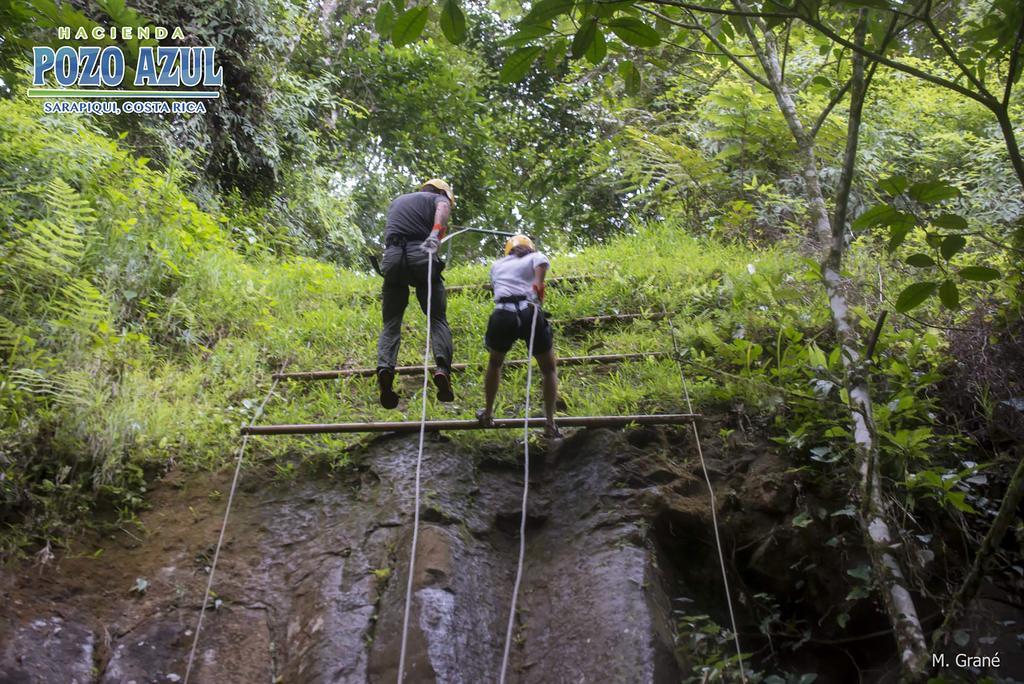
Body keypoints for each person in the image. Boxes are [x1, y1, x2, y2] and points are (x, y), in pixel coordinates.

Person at [375, 179, 456, 409]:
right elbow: (441, 211)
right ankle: (442, 369)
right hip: (422, 255)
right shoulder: (439, 200)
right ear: (443, 193)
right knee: (437, 318)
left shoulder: (398, 201)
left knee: (391, 322)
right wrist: (435, 234)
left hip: (392, 259)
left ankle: (385, 369)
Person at [476, 234, 561, 438]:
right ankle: (549, 423)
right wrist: (539, 284)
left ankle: (488, 413)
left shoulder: (497, 265)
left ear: (508, 251)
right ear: (530, 248)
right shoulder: (535, 256)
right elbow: (542, 263)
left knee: (495, 363)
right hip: (529, 311)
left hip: (503, 312)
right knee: (548, 369)